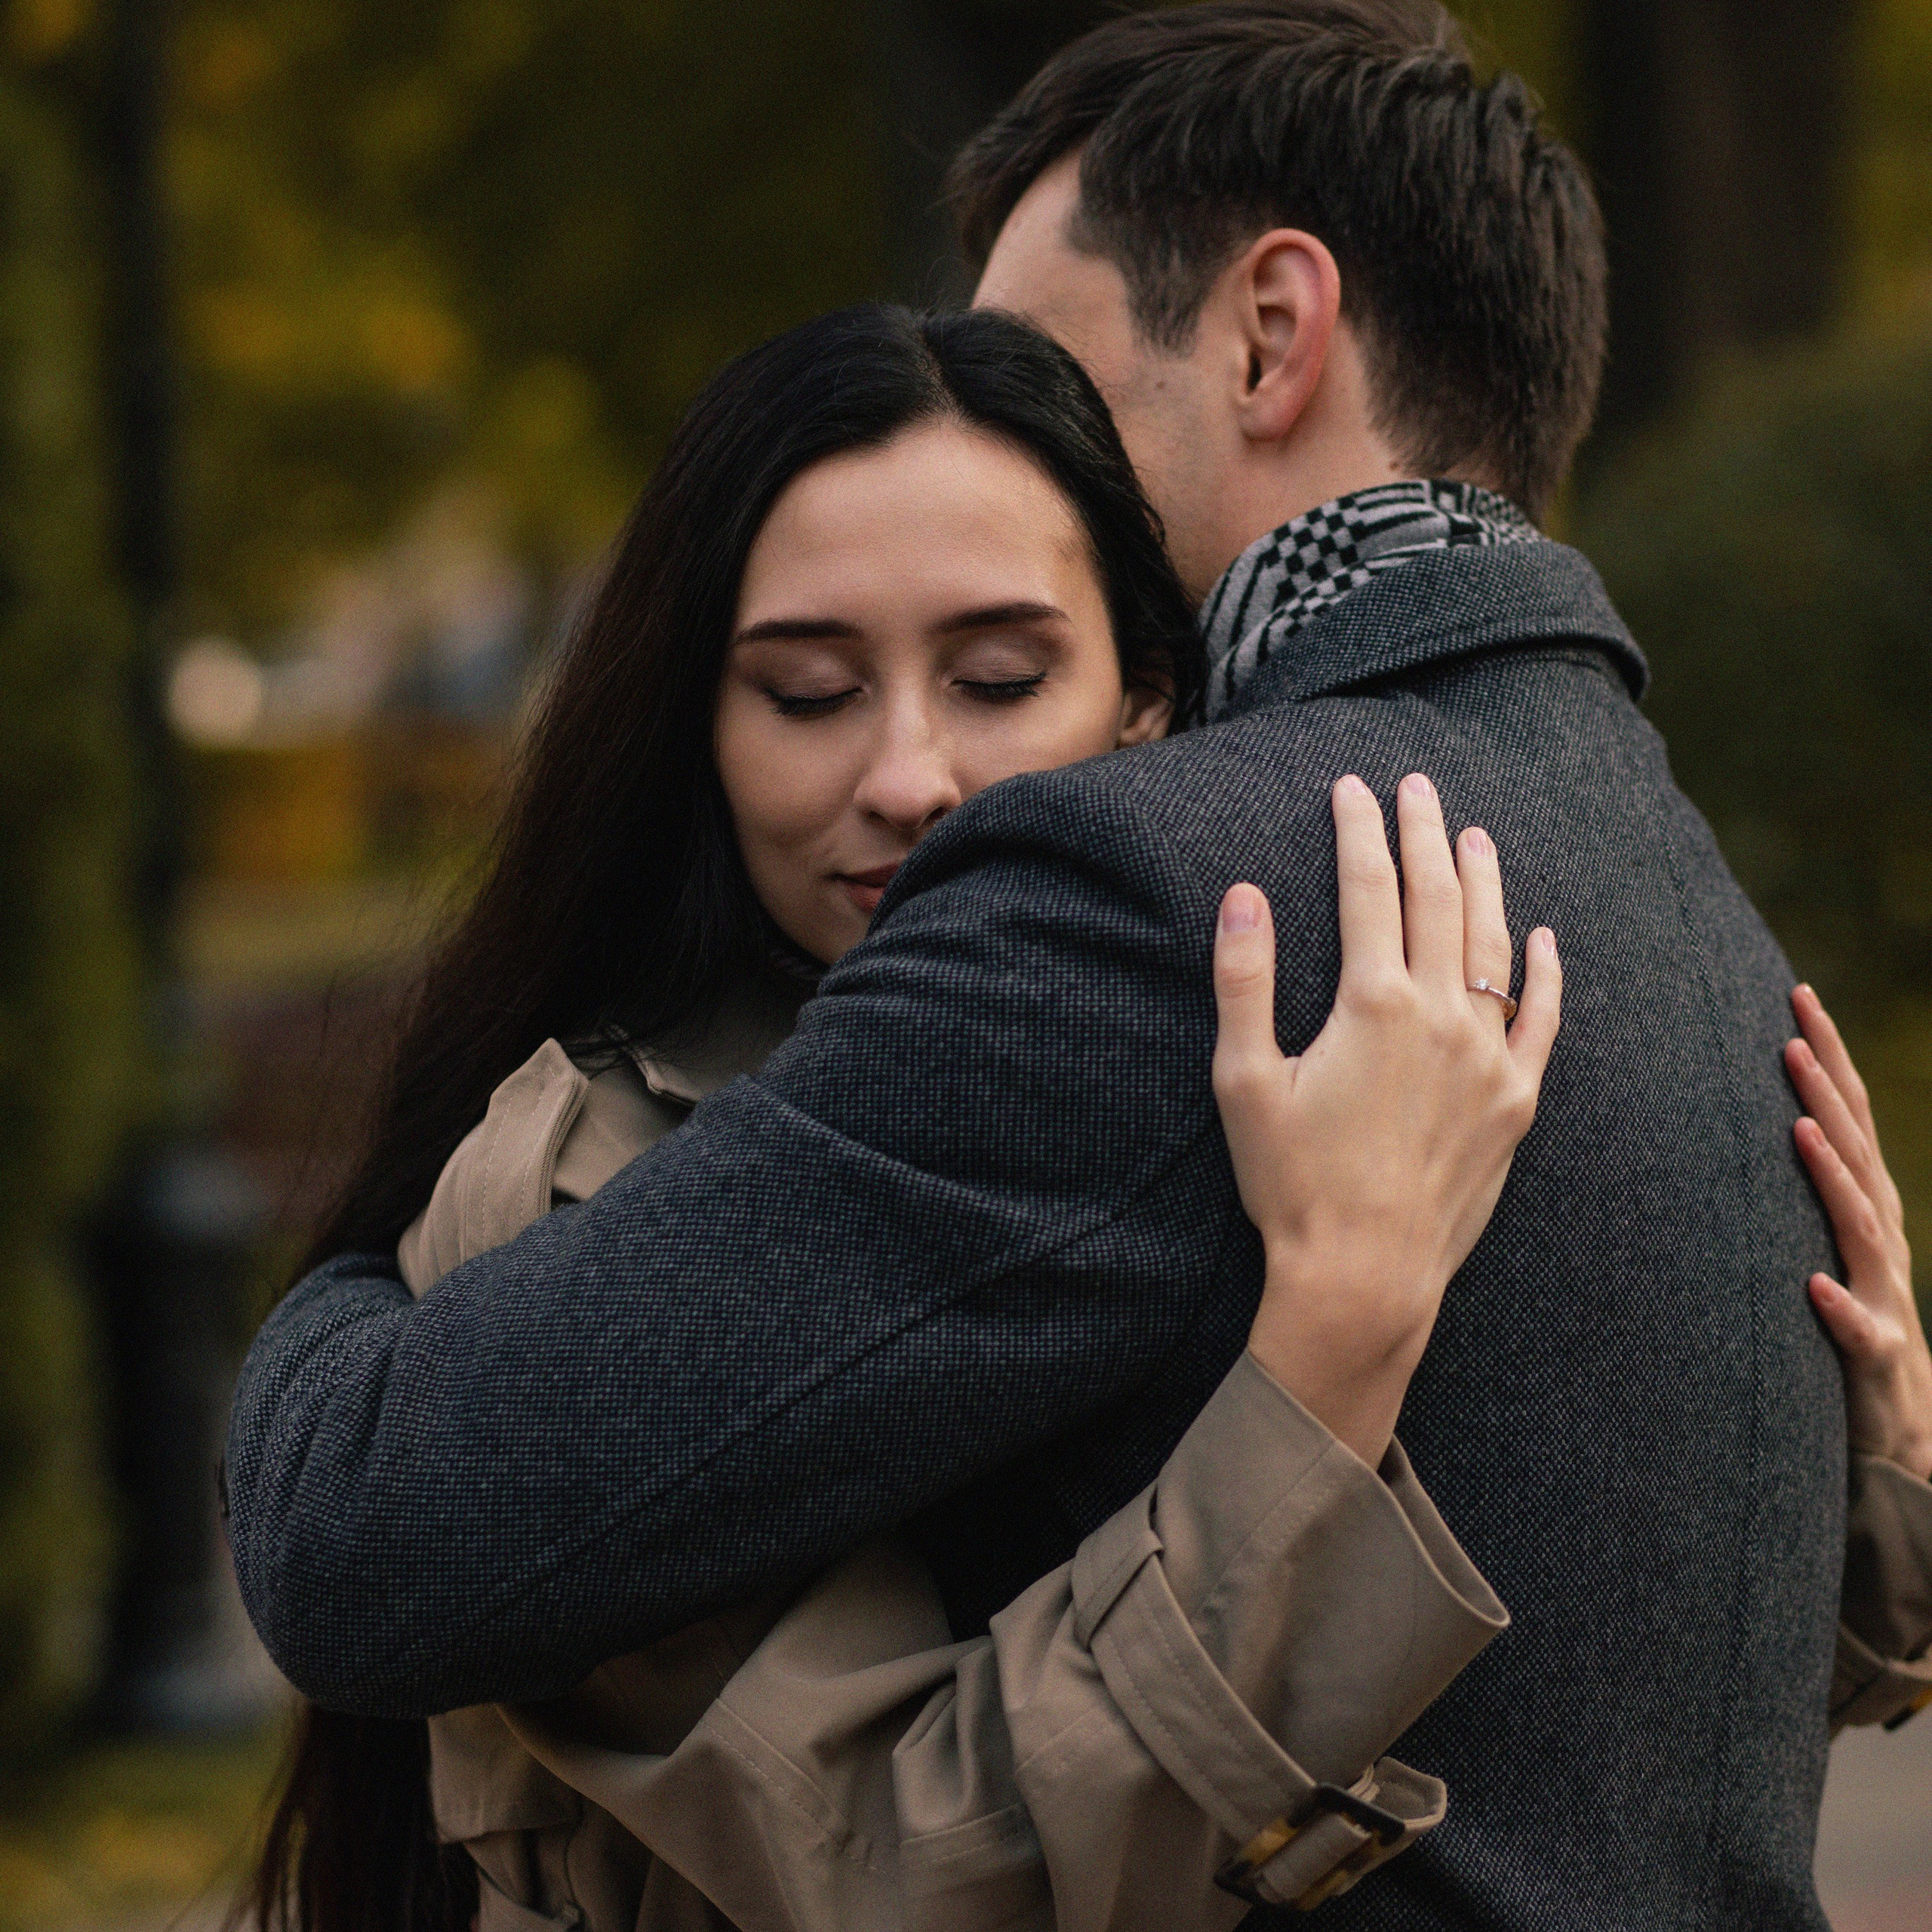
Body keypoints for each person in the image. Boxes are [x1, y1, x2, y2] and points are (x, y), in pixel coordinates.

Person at [227, 7, 1932, 1929]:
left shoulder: (1169, 898)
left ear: (1269, 331)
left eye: (1036, 362)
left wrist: (357, 1286)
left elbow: (365, 1531)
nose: (983, 425)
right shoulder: (1684, 893)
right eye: (803, 684)